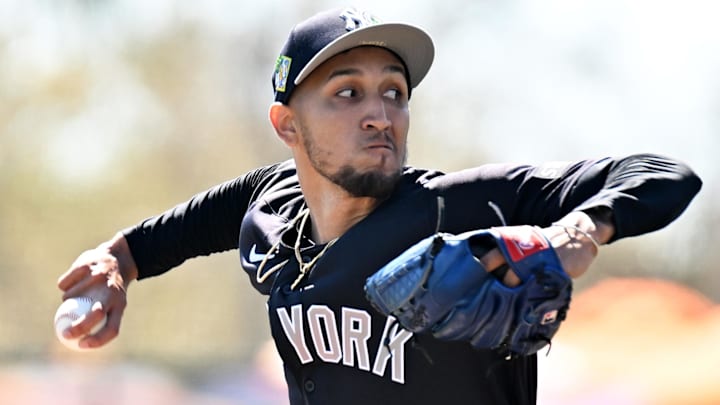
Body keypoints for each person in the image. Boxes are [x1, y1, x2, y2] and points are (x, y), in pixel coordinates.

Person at [57, 7, 702, 405]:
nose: (380, 114)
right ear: (286, 124)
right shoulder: (268, 206)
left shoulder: (462, 209)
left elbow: (666, 175)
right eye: (347, 92)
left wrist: (577, 232)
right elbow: (165, 238)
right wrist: (115, 265)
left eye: (393, 92)